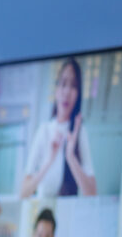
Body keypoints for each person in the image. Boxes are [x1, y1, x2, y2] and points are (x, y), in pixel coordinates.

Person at [19, 58, 97, 198]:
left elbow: (92, 193)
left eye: (73, 86)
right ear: (56, 89)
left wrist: (70, 156)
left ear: (78, 94)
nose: (67, 92)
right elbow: (23, 193)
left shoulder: (79, 132)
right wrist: (49, 160)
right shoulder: (44, 130)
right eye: (63, 83)